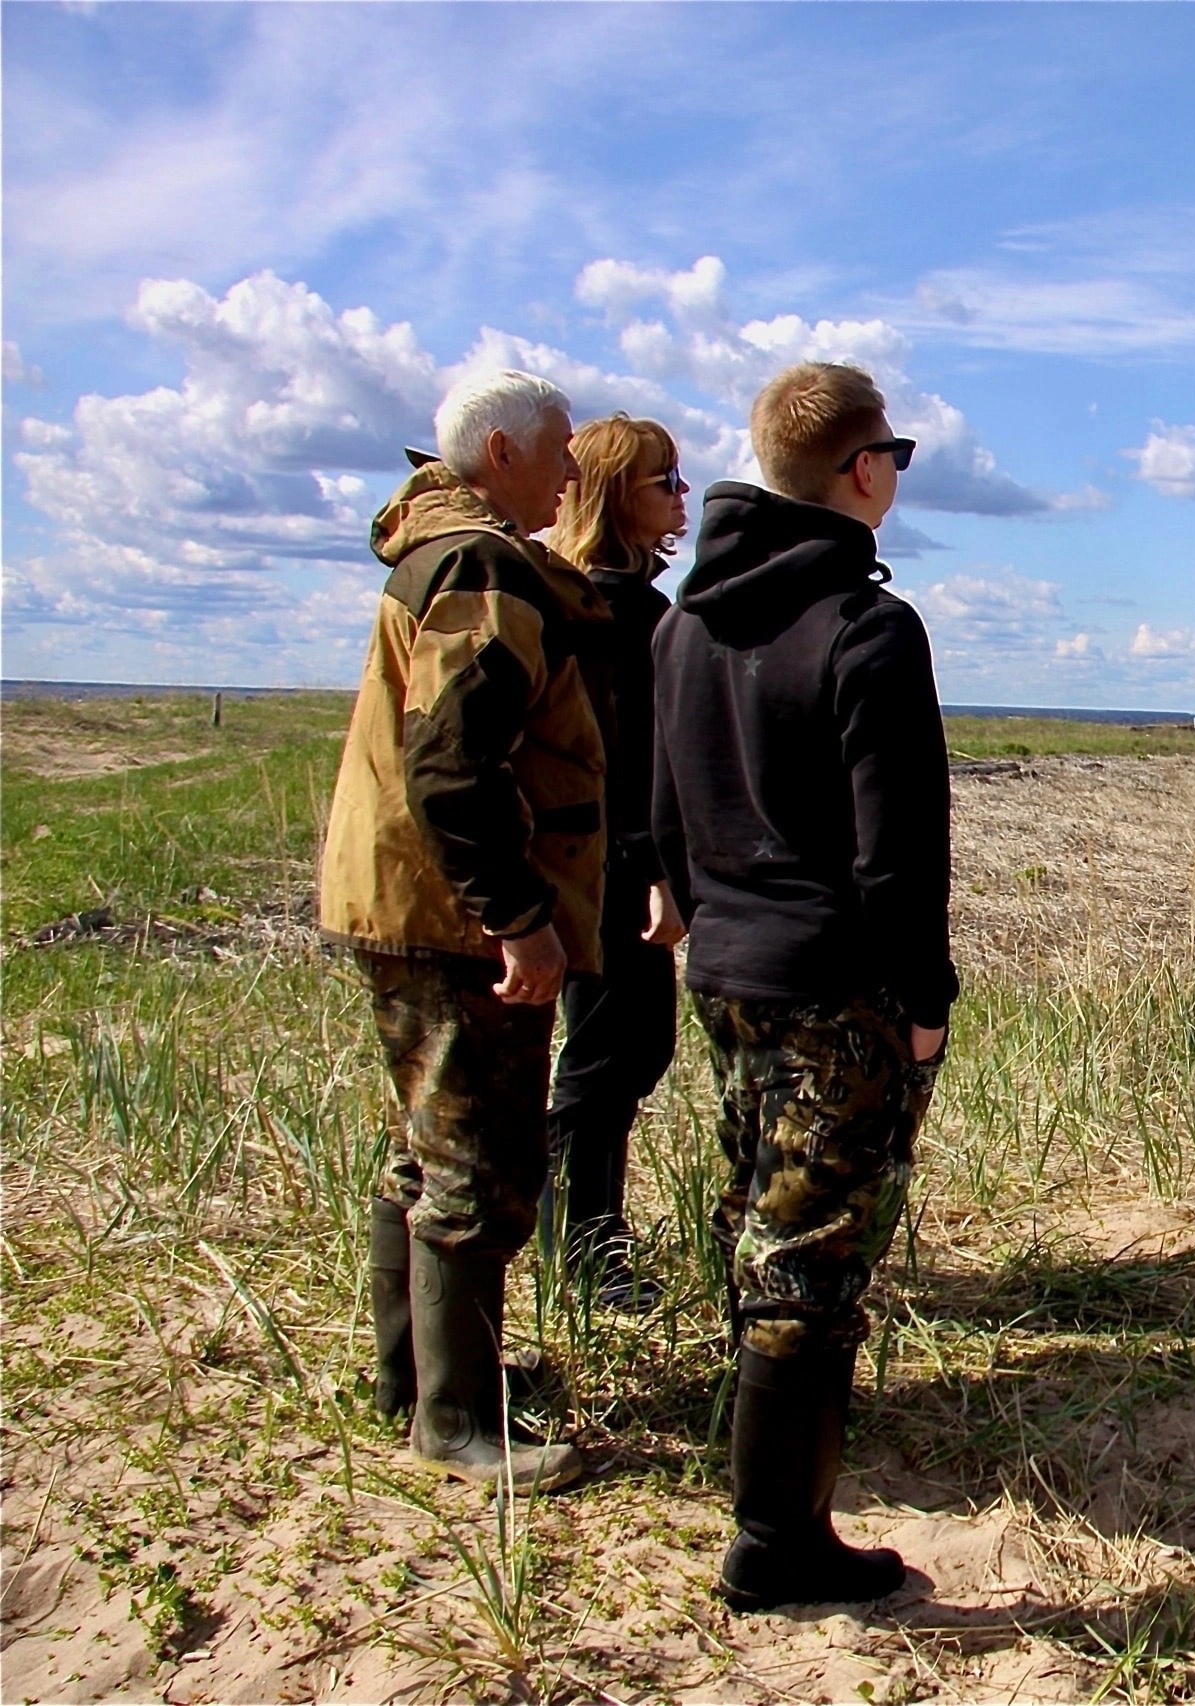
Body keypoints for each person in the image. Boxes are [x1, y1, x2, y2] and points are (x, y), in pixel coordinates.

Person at [651, 361, 954, 1608]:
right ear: (860, 469)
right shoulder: (868, 626)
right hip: (839, 987)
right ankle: (777, 1540)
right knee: (811, 1259)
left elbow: (664, 804)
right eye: (897, 452)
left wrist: (696, 909)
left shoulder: (685, 618)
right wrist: (922, 1001)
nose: (896, 472)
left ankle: (768, 1481)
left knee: (755, 1226)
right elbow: (900, 852)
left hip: (726, 971)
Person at [319, 369, 612, 1492]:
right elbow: (453, 764)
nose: (573, 469)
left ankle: (425, 1376)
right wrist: (519, 917)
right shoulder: (482, 567)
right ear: (502, 451)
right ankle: (457, 1420)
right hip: (451, 915)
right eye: (560, 448)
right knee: (477, 1162)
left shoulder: (440, 551)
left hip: (415, 899)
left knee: (427, 1146)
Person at [541, 414, 692, 1310]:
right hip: (609, 870)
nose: (680, 496)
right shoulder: (612, 610)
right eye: (661, 482)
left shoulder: (614, 600)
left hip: (603, 864)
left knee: (628, 1048)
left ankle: (590, 1237)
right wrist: (654, 871)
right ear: (610, 496)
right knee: (609, 1054)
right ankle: (586, 1253)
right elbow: (628, 759)